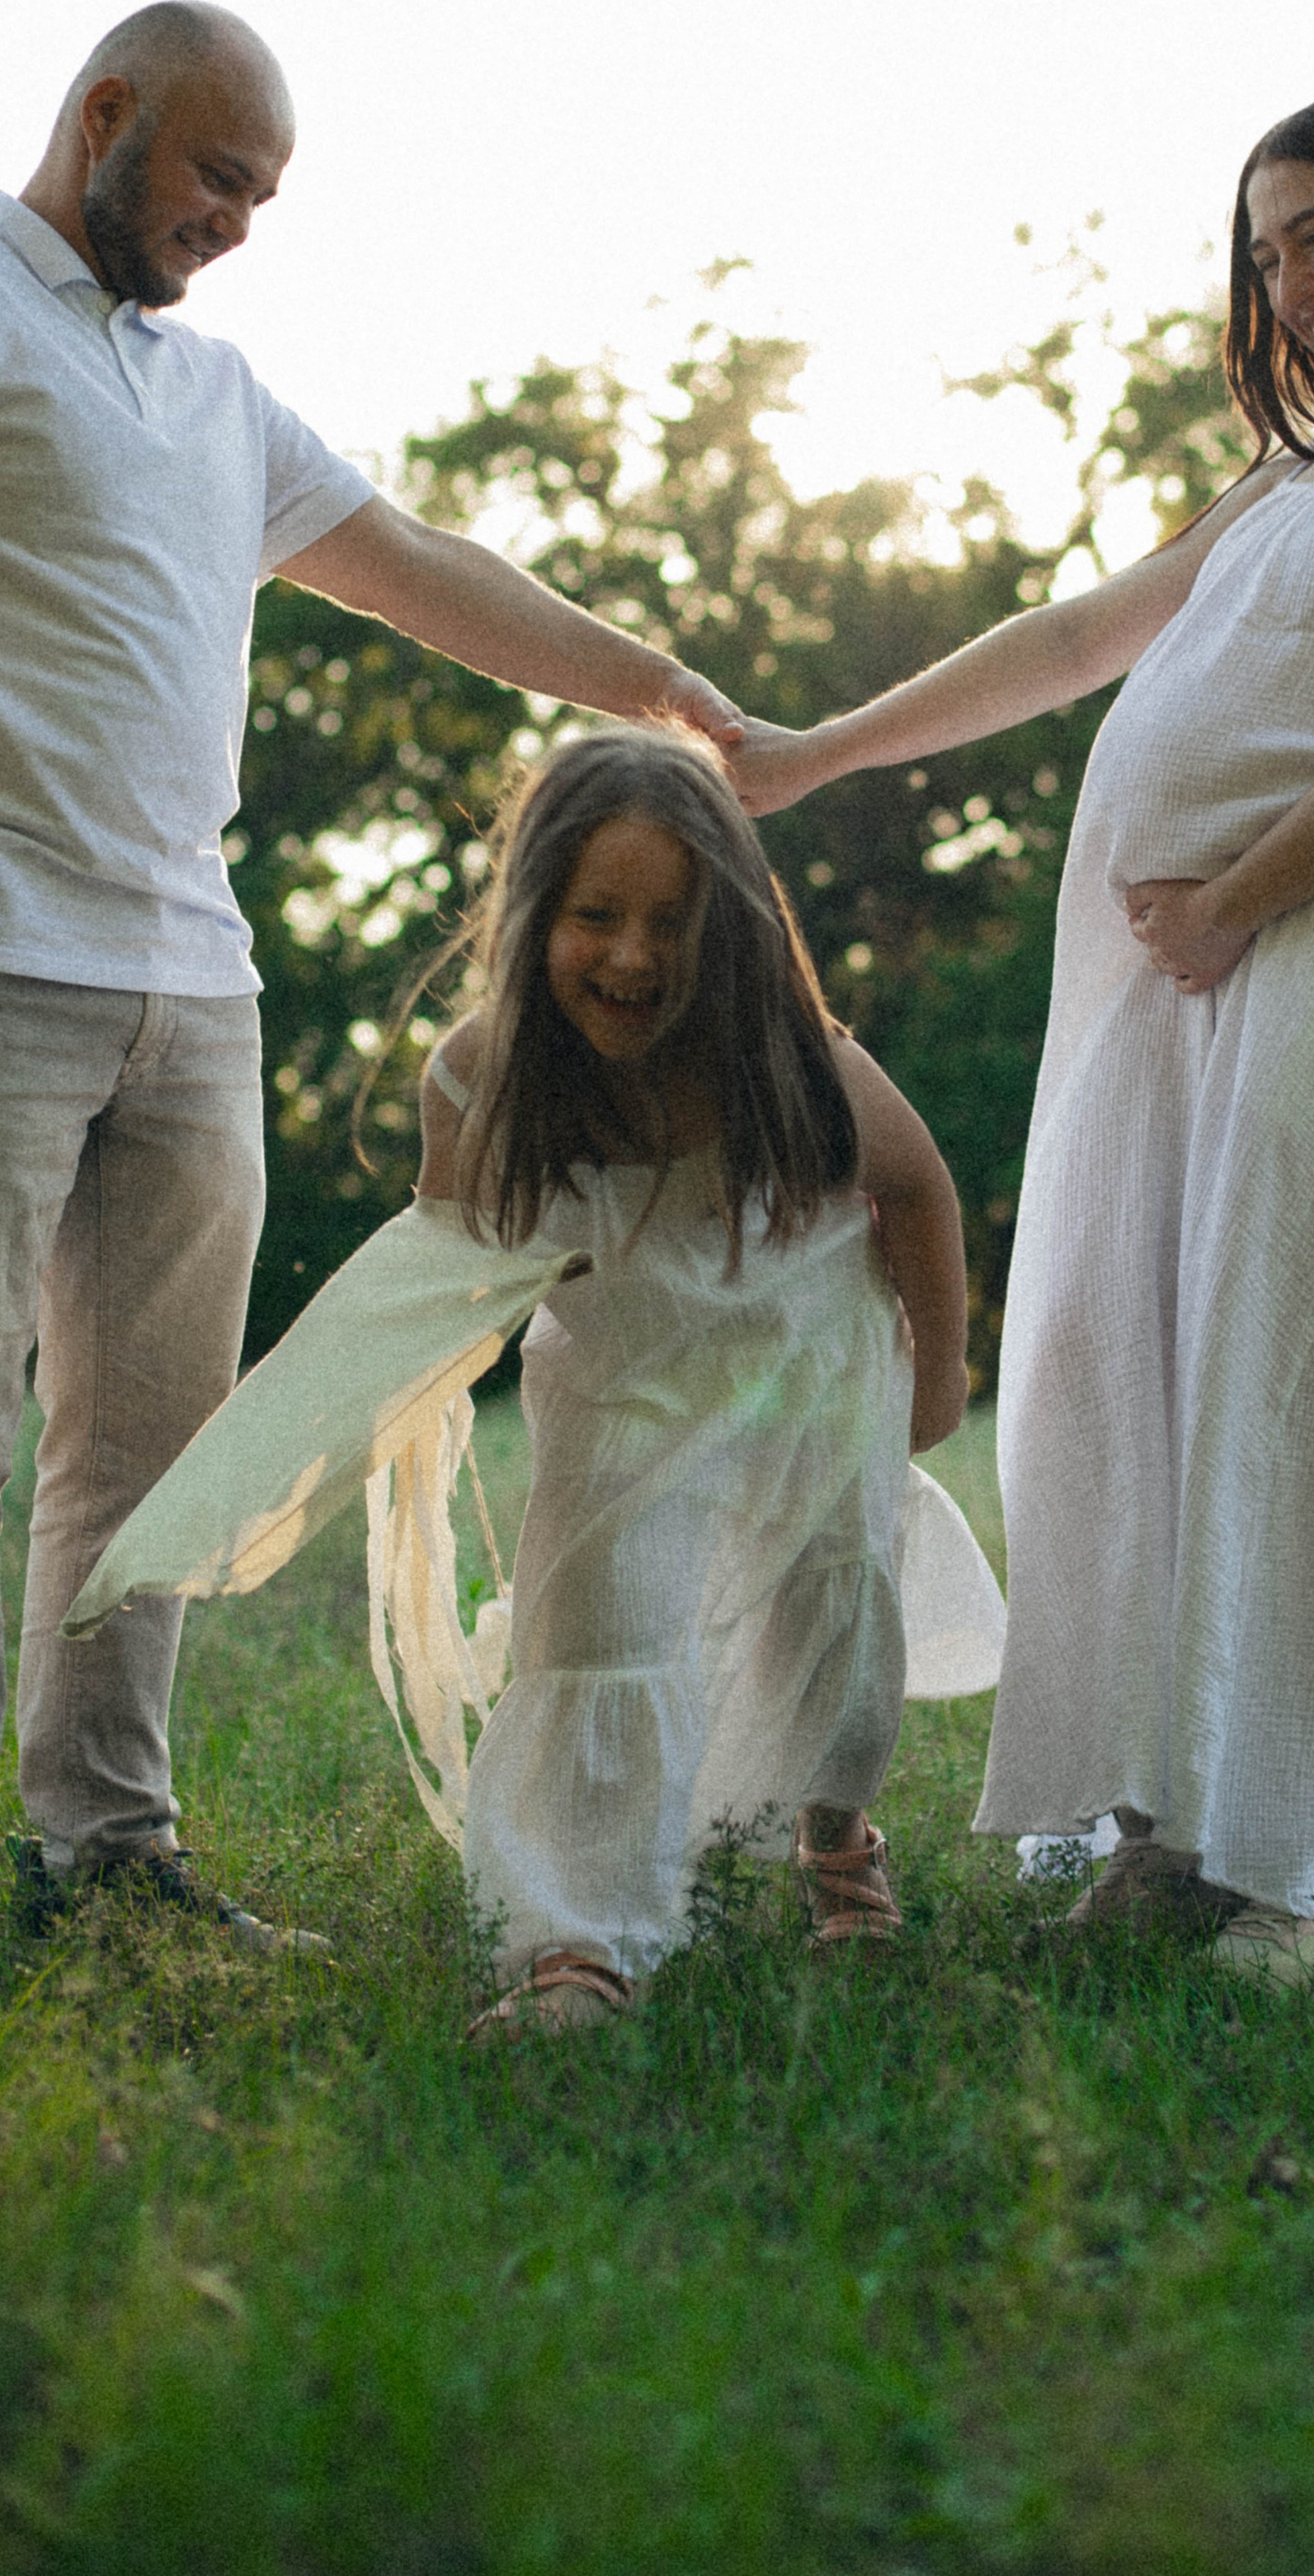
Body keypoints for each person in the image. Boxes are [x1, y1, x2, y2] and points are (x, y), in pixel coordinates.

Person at [0, 2, 742, 2024]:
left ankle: (108, 1850)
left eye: (264, 196)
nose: (235, 223)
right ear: (104, 116)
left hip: (190, 989)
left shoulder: (213, 394)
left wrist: (674, 699)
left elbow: (423, 571)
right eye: (217, 175)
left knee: (149, 1458)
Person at [732, 85, 1314, 1983]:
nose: (1288, 282)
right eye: (1262, 248)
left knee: (1289, 1358)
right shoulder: (1283, 482)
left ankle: (1312, 1868)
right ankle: (1159, 1813)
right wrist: (813, 753)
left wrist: (1233, 900)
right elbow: (1066, 642)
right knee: (1107, 1357)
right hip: (1153, 980)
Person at [418, 725, 974, 2030]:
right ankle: (580, 1939)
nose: (630, 955)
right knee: (601, 1624)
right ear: (531, 914)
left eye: (670, 920)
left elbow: (920, 1189)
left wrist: (937, 1373)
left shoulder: (801, 1064)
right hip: (624, 1387)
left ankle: (836, 1833)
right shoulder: (475, 1073)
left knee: (837, 1615)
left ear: (728, 930)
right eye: (594, 915)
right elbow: (449, 1257)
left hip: (812, 1369)